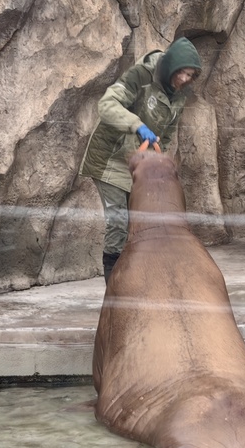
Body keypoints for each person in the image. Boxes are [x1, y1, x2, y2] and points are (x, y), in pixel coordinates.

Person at [79, 37, 202, 282]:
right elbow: (107, 105)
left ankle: (138, 282)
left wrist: (159, 160)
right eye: (182, 72)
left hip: (141, 165)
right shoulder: (141, 76)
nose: (184, 79)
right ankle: (113, 288)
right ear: (171, 66)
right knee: (119, 223)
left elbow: (167, 134)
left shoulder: (178, 97)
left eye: (190, 75)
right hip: (111, 160)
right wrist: (136, 125)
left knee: (142, 224)